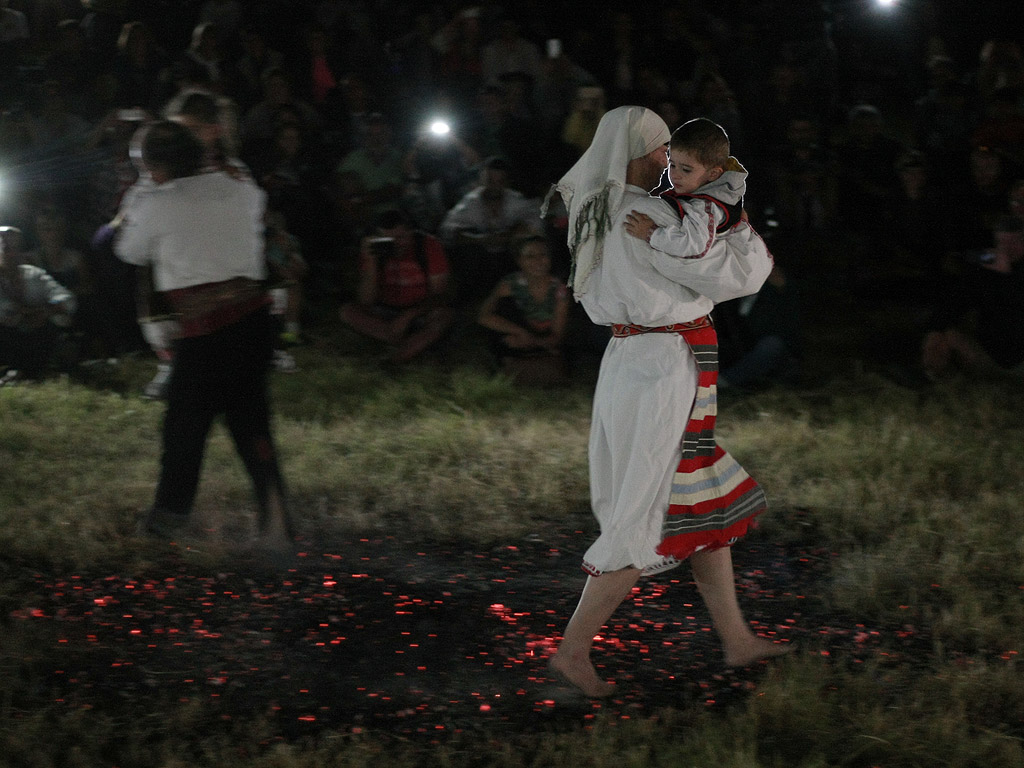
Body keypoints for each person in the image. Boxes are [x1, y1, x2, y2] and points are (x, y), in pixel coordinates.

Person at [542, 106, 784, 698]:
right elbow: (737, 277)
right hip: (660, 367)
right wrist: (745, 234)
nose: (665, 163)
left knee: (695, 500)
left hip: (627, 364)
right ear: (640, 150)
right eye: (659, 151)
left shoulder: (591, 211)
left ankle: (736, 638)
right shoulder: (647, 212)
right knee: (648, 507)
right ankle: (573, 651)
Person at [114, 120, 293, 548]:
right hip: (253, 324)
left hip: (206, 332)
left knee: (184, 429)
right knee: (252, 426)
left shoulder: (160, 202)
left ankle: (169, 519)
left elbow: (128, 250)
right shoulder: (241, 188)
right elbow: (252, 198)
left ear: (156, 166)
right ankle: (278, 518)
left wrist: (142, 189)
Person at [338, 208, 455, 364]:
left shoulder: (428, 246)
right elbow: (366, 300)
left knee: (443, 317)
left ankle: (396, 358)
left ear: (411, 232)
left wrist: (407, 317)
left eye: (401, 237)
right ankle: (407, 341)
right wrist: (371, 262)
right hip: (385, 311)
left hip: (421, 311)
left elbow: (439, 295)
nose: (396, 244)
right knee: (347, 311)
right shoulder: (375, 250)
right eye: (388, 239)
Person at [476, 235, 570, 386]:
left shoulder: (559, 290)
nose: (538, 261)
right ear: (519, 261)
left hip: (541, 345)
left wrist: (532, 342)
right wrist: (520, 332)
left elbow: (557, 336)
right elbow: (484, 316)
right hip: (514, 341)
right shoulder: (509, 285)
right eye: (530, 256)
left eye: (543, 255)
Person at [0, 225, 77, 379]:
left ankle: (28, 371)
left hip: (35, 336)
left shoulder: (32, 274)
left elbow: (68, 299)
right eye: (5, 247)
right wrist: (26, 312)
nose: (9, 253)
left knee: (57, 320)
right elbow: (6, 310)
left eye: (13, 246)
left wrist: (46, 311)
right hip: (7, 339)